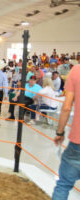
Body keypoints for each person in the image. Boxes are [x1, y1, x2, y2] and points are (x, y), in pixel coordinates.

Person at [52, 64, 80, 199]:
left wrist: (60, 133)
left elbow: (67, 107)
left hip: (77, 142)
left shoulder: (76, 71)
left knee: (63, 185)